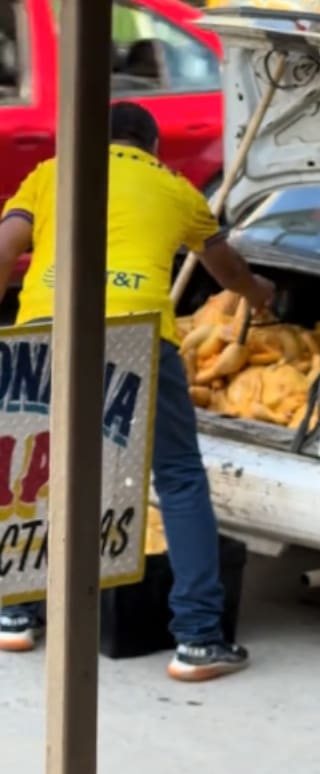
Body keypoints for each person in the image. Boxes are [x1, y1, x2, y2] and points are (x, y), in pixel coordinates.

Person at [0, 102, 275, 681]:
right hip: (135, 334)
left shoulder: (52, 172)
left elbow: (6, 249)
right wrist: (259, 293)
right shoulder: (176, 188)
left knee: (32, 463)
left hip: (44, 329)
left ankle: (16, 613)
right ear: (150, 145)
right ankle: (199, 639)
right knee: (176, 476)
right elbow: (227, 271)